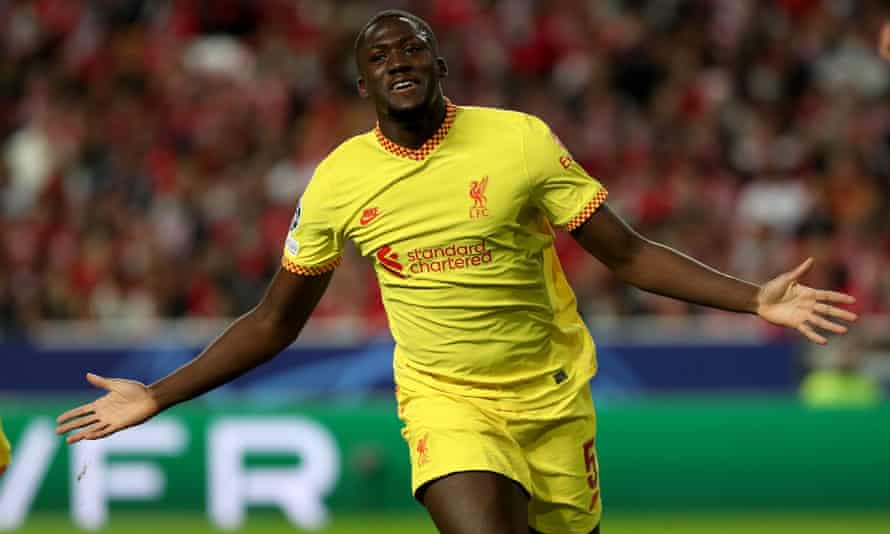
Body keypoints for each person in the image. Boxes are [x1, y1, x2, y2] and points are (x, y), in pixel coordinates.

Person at [56, 10, 858, 534]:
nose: (398, 59)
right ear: (361, 83)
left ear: (438, 63)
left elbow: (629, 253)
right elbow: (275, 319)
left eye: (411, 46)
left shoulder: (519, 142)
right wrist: (158, 394)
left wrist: (753, 297)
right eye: (379, 54)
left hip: (550, 395)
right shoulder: (339, 180)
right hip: (446, 401)